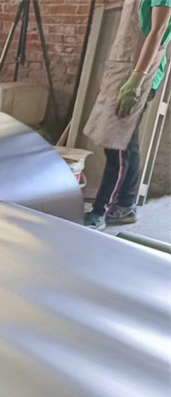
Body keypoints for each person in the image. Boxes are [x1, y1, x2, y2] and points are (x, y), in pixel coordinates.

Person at [84, 0, 171, 230]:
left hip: (139, 73)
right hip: (124, 67)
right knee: (126, 142)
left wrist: (136, 79)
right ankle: (125, 205)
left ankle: (102, 210)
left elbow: (158, 31)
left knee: (118, 145)